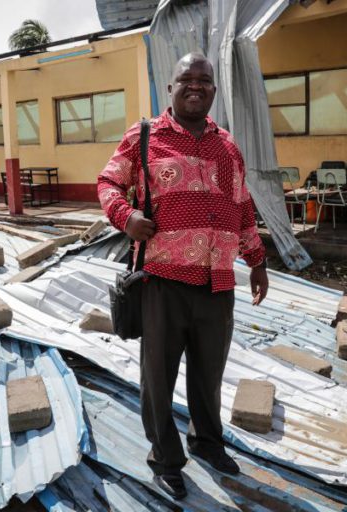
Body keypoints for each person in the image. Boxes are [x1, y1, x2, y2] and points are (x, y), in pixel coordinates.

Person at [97, 52, 268, 499]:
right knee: (159, 375)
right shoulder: (145, 136)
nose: (196, 86)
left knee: (209, 372)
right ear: (170, 88)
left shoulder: (227, 145)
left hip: (217, 281)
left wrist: (257, 260)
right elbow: (108, 183)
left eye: (205, 80)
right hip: (162, 280)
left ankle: (207, 442)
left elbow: (242, 205)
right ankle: (165, 459)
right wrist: (125, 215)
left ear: (214, 89)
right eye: (186, 79)